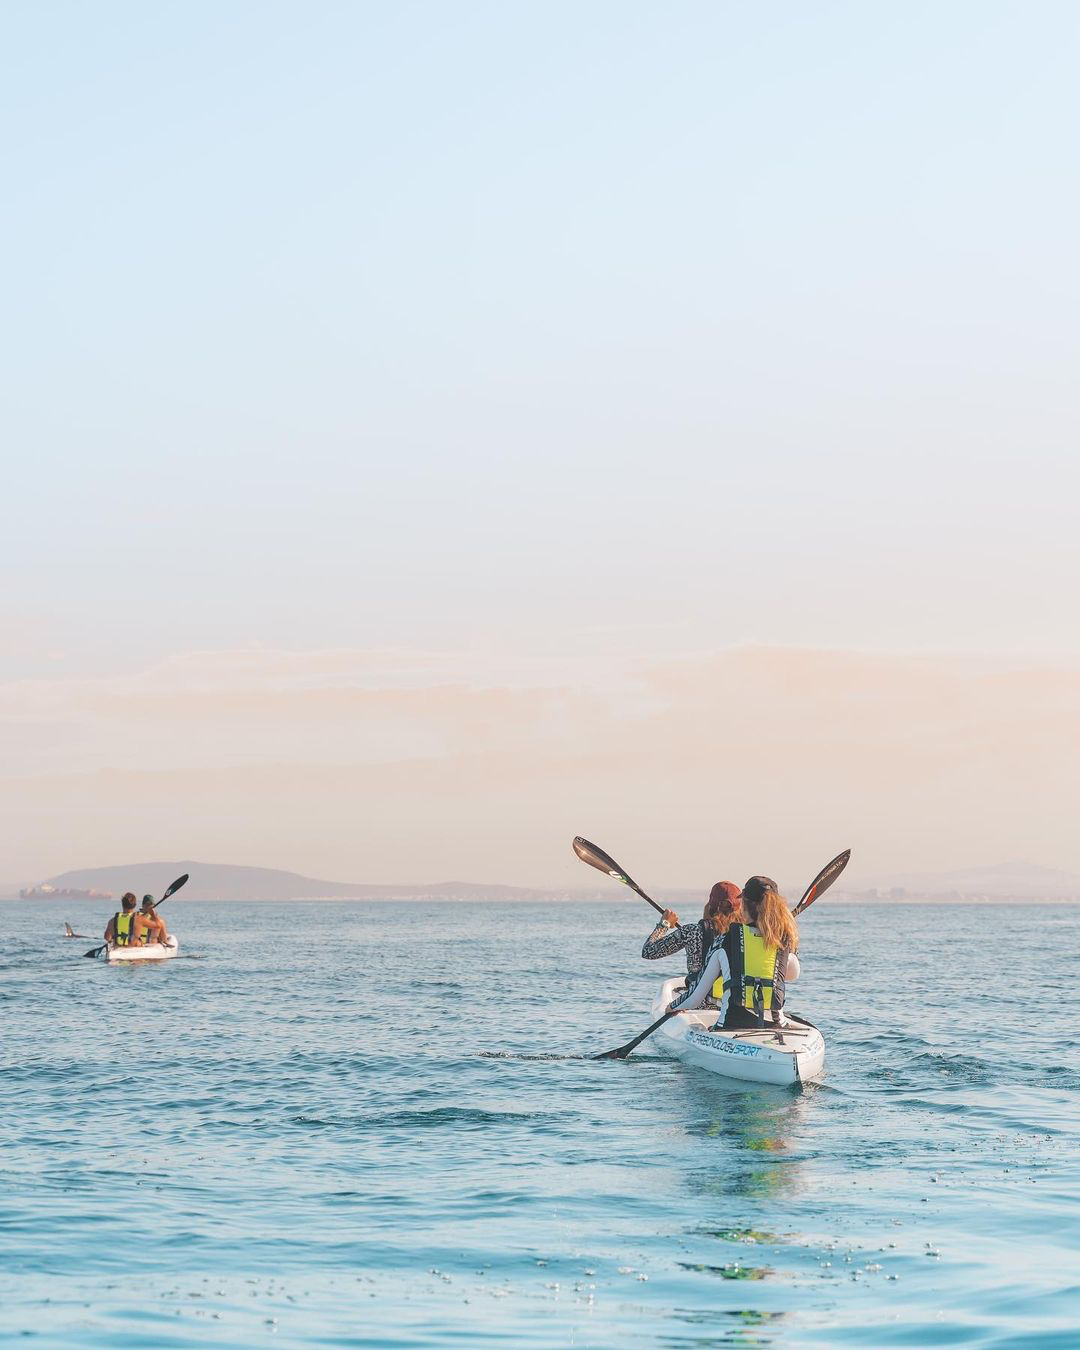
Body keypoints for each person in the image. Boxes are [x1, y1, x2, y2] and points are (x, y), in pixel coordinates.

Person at [670, 875, 800, 1028]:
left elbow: (696, 997)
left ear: (743, 904)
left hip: (731, 1027)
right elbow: (792, 975)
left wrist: (671, 1008)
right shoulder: (783, 942)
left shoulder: (725, 941)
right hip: (776, 1027)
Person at [642, 881, 743, 990]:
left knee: (669, 1007)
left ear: (710, 905)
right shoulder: (746, 934)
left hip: (699, 1000)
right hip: (733, 1001)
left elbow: (648, 952)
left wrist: (664, 924)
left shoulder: (692, 931)